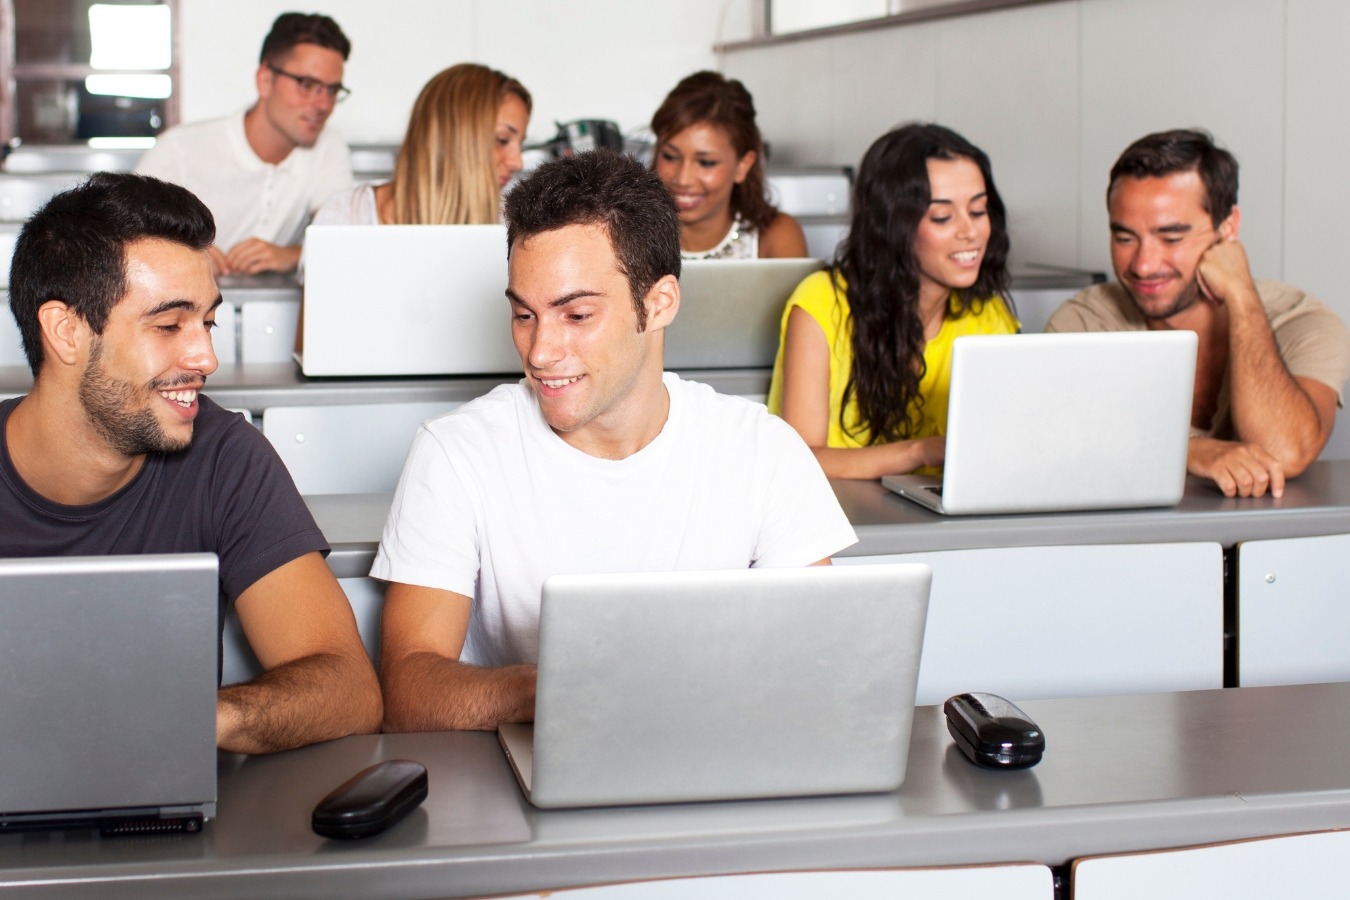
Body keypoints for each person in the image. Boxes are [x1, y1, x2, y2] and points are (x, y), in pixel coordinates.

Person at [372, 150, 857, 732]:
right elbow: (406, 690)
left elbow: (816, 669)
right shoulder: (455, 453)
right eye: (524, 315)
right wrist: (567, 689)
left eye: (576, 315)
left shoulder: (763, 451)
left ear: (659, 304)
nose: (540, 352)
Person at [0, 172, 381, 754]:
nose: (205, 356)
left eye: (207, 322)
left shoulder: (223, 454)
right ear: (65, 331)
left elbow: (348, 688)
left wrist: (177, 723)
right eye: (168, 325)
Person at [1046, 129, 1350, 499]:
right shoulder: (1084, 321)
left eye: (1172, 239)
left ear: (1228, 228)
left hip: (1260, 546)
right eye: (1125, 238)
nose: (1143, 265)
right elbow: (1058, 447)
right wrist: (1187, 452)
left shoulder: (1302, 322)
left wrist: (1240, 296)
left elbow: (1284, 453)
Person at [766, 124, 1018, 480]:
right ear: (893, 225)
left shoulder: (990, 315)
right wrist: (921, 451)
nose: (970, 231)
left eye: (978, 211)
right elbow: (799, 458)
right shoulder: (821, 302)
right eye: (943, 217)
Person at [135, 12, 353, 276]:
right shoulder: (179, 149)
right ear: (264, 80)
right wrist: (186, 254)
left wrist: (293, 255)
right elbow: (122, 237)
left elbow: (345, 238)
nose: (323, 105)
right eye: (307, 85)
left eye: (331, 90)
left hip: (268, 310)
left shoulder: (328, 145)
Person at [311, 63, 530, 227]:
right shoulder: (346, 216)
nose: (517, 162)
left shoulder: (513, 228)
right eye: (502, 140)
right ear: (452, 136)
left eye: (520, 144)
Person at [650, 71, 807, 259]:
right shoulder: (623, 233)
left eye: (706, 162)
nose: (683, 179)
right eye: (670, 156)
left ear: (743, 165)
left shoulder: (776, 236)